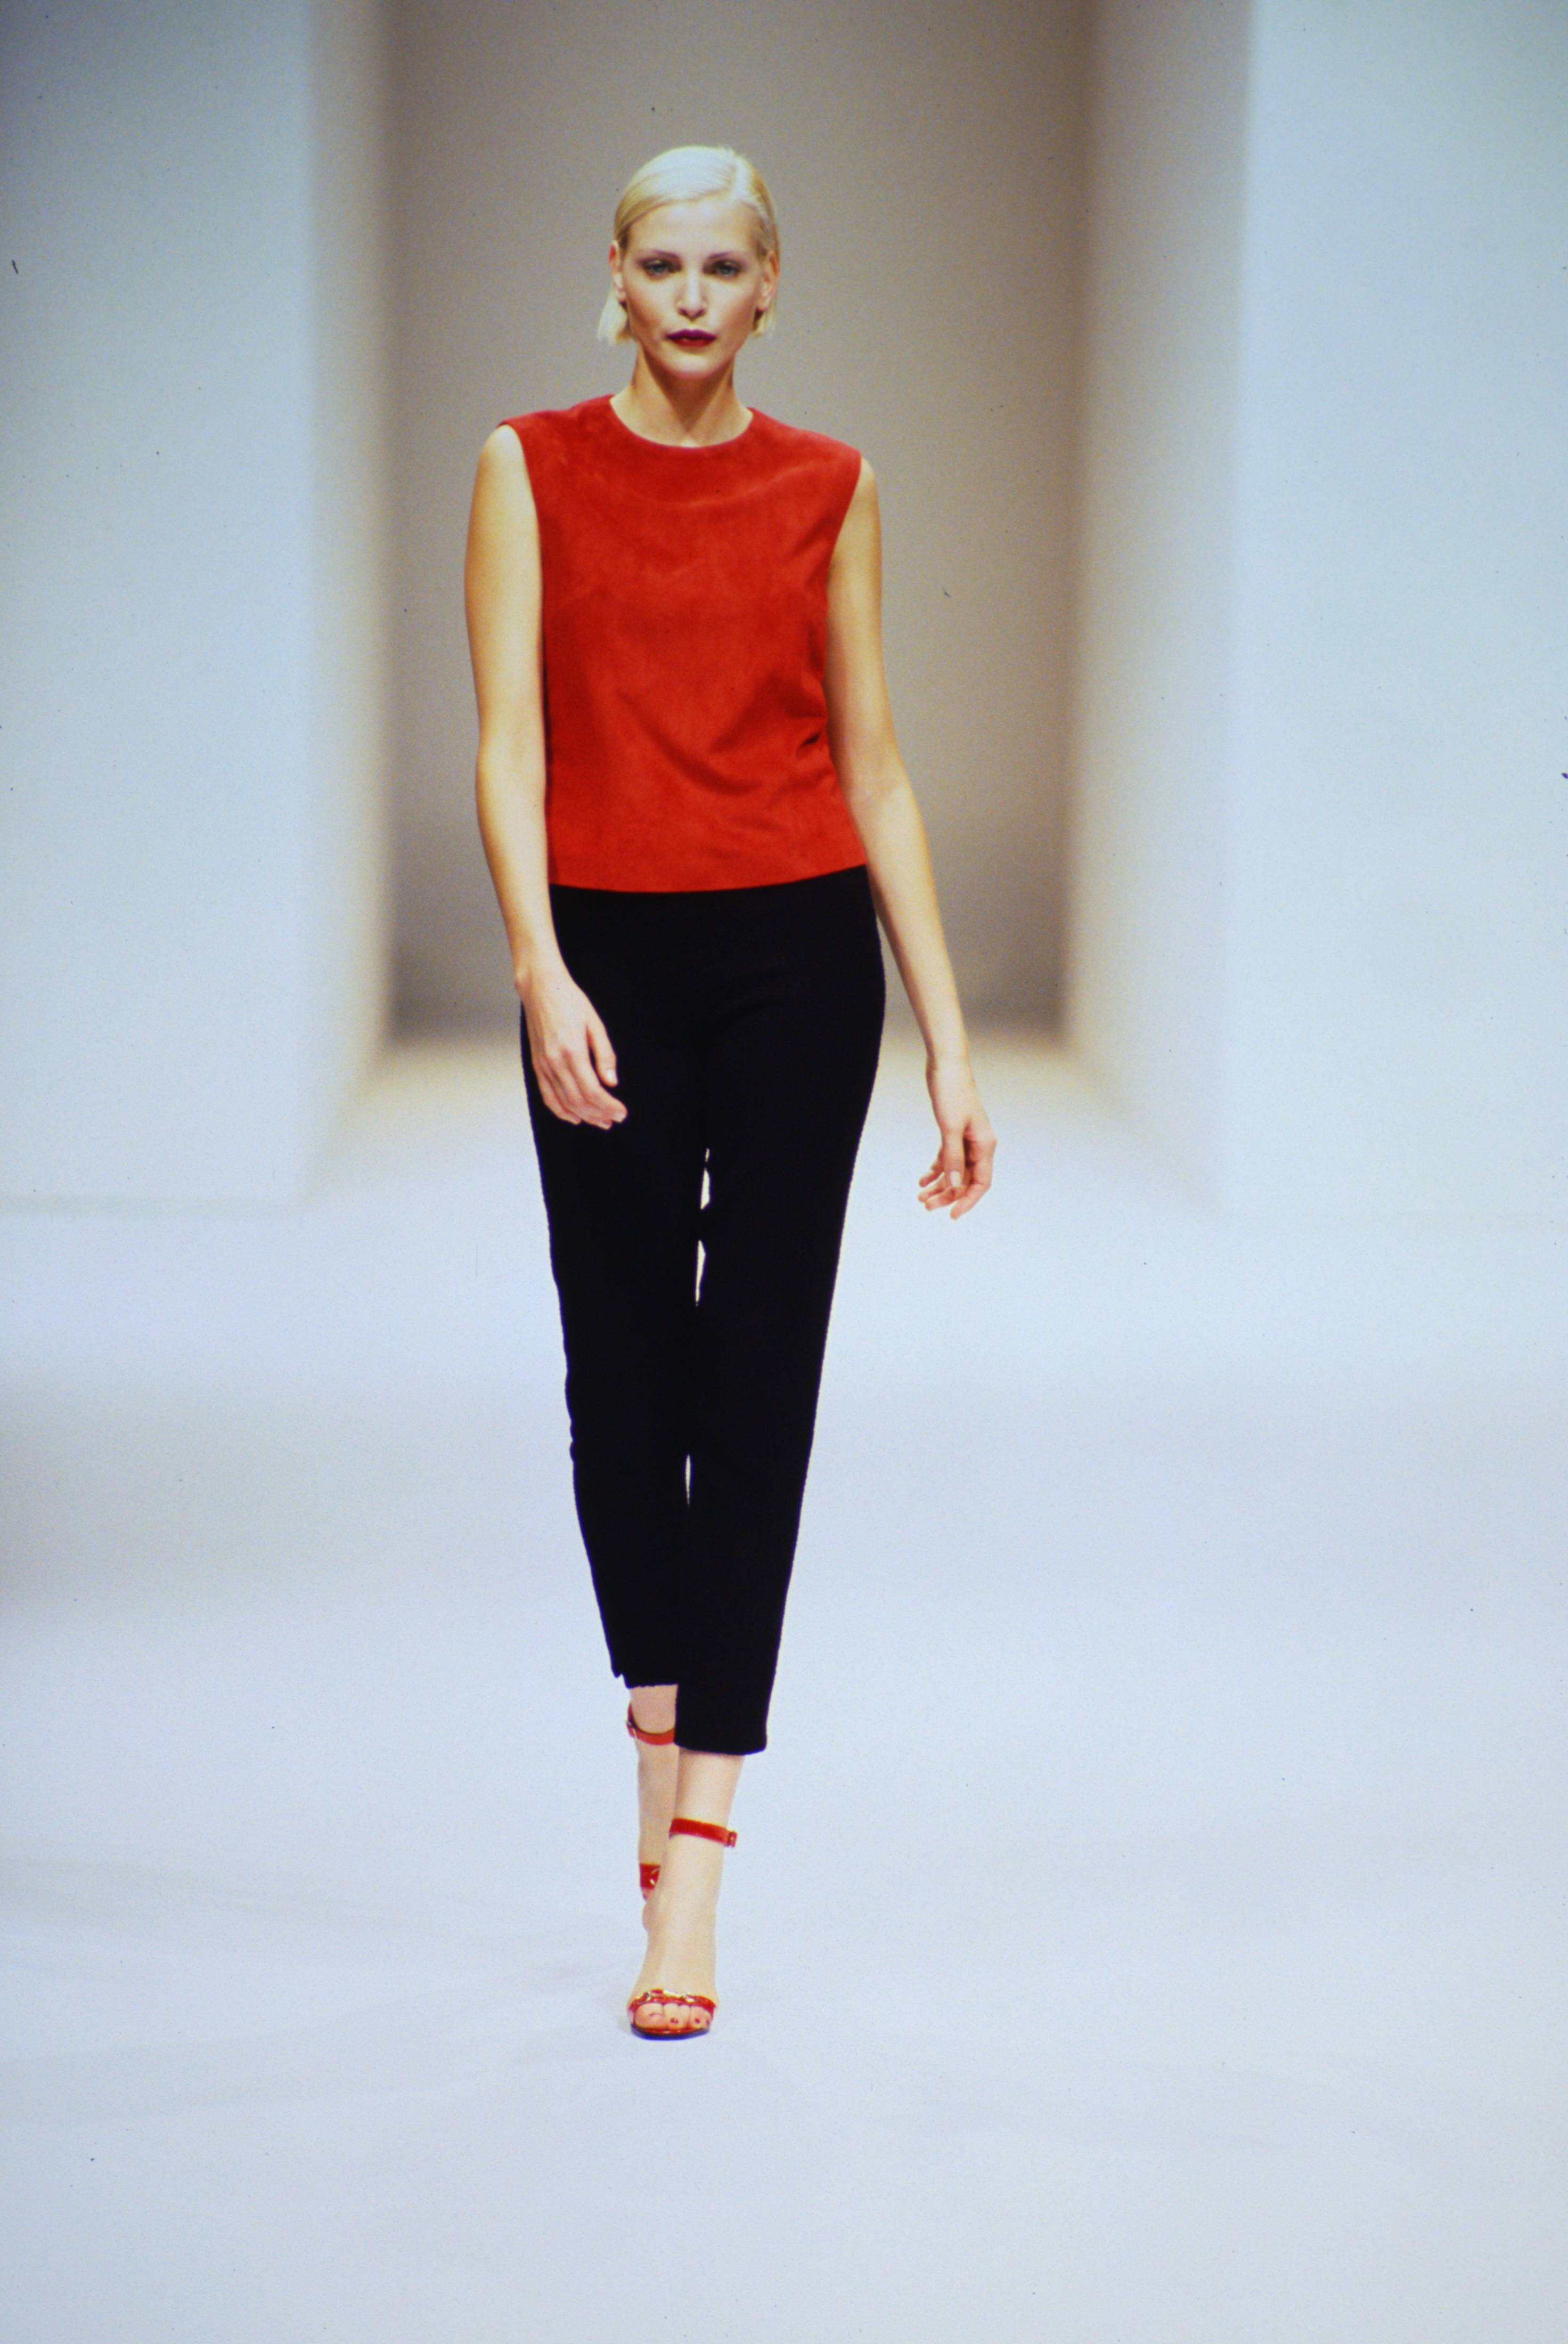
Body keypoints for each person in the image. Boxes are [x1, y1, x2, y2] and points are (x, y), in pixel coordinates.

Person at [465, 144, 995, 2039]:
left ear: (773, 288)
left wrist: (945, 1031)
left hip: (793, 958)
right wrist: (539, 968)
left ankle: (693, 1864)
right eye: (662, 266)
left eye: (724, 268)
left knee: (758, 1378)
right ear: (615, 277)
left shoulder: (829, 485)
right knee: (624, 1379)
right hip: (605, 960)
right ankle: (659, 1714)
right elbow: (508, 747)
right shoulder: (527, 468)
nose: (691, 298)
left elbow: (876, 762)